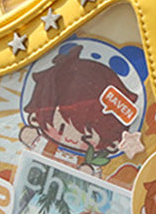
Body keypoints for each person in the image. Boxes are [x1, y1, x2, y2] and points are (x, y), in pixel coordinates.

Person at [20, 46, 139, 175]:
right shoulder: (48, 147)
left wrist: (88, 171)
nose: (70, 139)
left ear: (111, 143)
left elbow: (95, 172)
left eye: (86, 138)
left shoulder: (86, 160)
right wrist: (33, 139)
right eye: (61, 129)